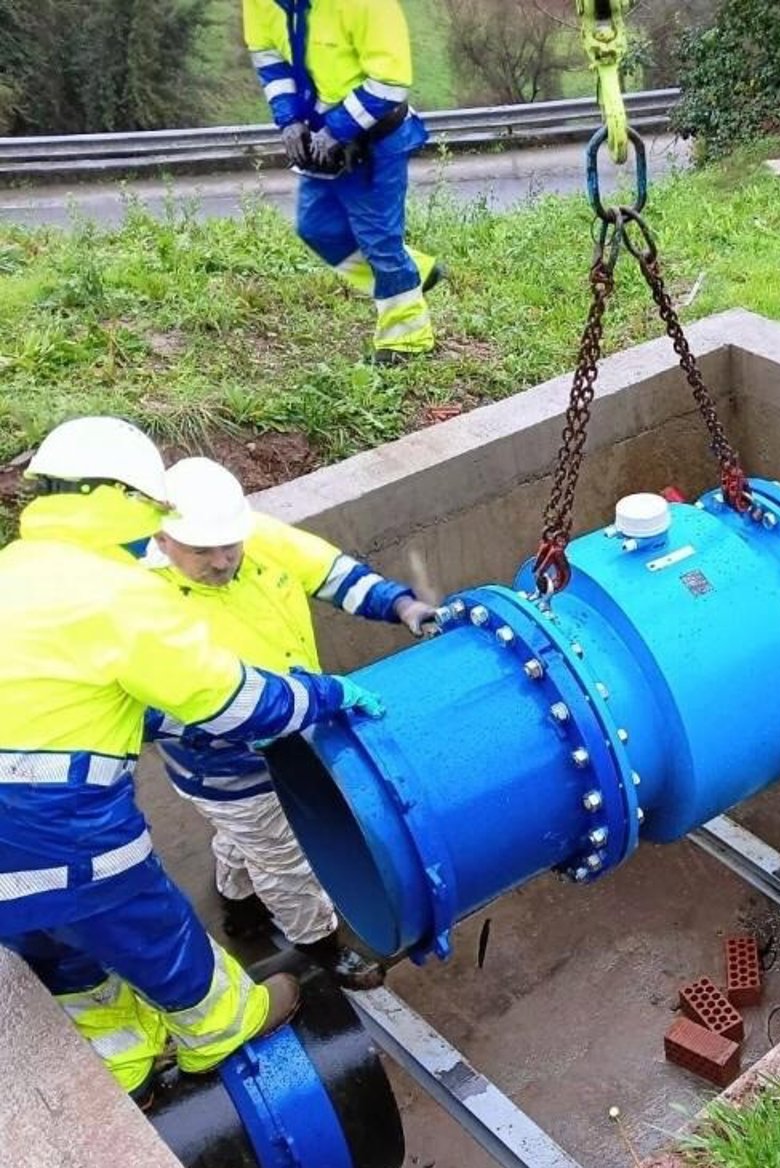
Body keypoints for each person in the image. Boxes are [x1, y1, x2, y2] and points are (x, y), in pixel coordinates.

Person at [0, 418, 385, 1104]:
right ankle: (220, 1029)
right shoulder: (118, 591)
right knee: (148, 929)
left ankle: (129, 1068)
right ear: (121, 499)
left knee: (56, 951)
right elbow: (233, 702)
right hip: (61, 826)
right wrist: (326, 696)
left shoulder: (15, 571)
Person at [145, 457, 438, 989]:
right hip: (231, 769)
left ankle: (237, 901)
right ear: (163, 540)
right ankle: (319, 943)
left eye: (229, 545)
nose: (222, 560)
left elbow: (335, 576)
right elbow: (149, 713)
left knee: (251, 840)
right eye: (202, 551)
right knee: (287, 859)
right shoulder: (141, 607)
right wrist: (227, 722)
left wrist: (400, 605)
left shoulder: (259, 539)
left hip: (293, 729)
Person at [243, 0, 441, 364]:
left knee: (378, 240)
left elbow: (390, 83)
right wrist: (289, 118)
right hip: (322, 138)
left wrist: (339, 128)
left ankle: (407, 340)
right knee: (317, 228)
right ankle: (411, 274)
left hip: (374, 138)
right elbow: (269, 58)